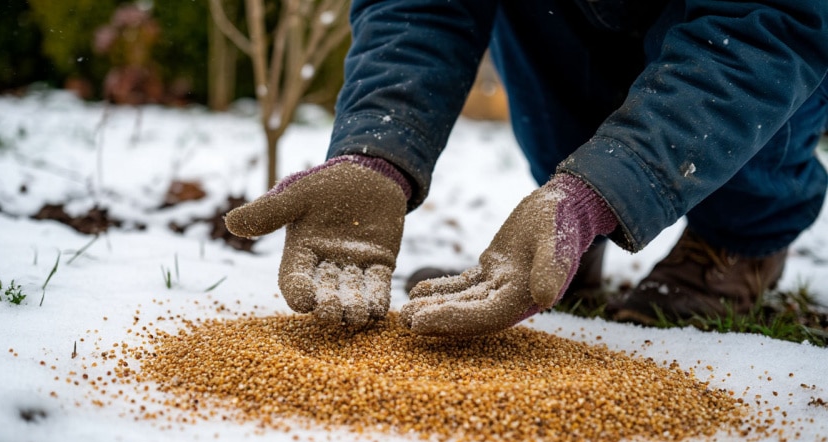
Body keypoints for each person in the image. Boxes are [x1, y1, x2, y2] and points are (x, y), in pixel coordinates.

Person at [225, 0, 828, 337]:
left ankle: (737, 244)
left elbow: (770, 26)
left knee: (754, 102)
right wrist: (374, 153)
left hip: (746, 36)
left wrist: (601, 193)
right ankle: (560, 231)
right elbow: (421, 5)